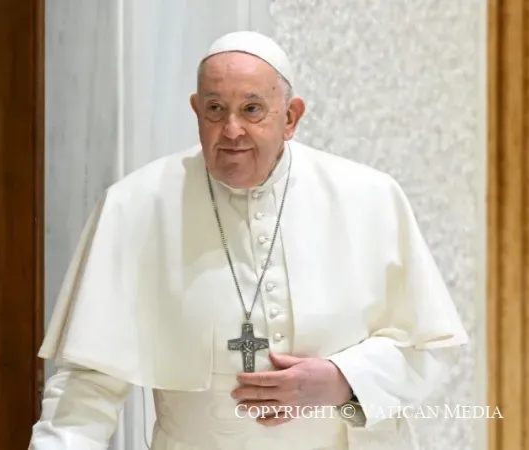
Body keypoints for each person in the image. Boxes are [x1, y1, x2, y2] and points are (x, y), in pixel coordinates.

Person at [29, 31, 468, 450]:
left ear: (291, 117)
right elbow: (84, 387)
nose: (232, 130)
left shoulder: (368, 198)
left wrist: (343, 379)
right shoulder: (136, 205)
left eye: (252, 109)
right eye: (215, 109)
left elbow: (430, 347)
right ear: (196, 110)